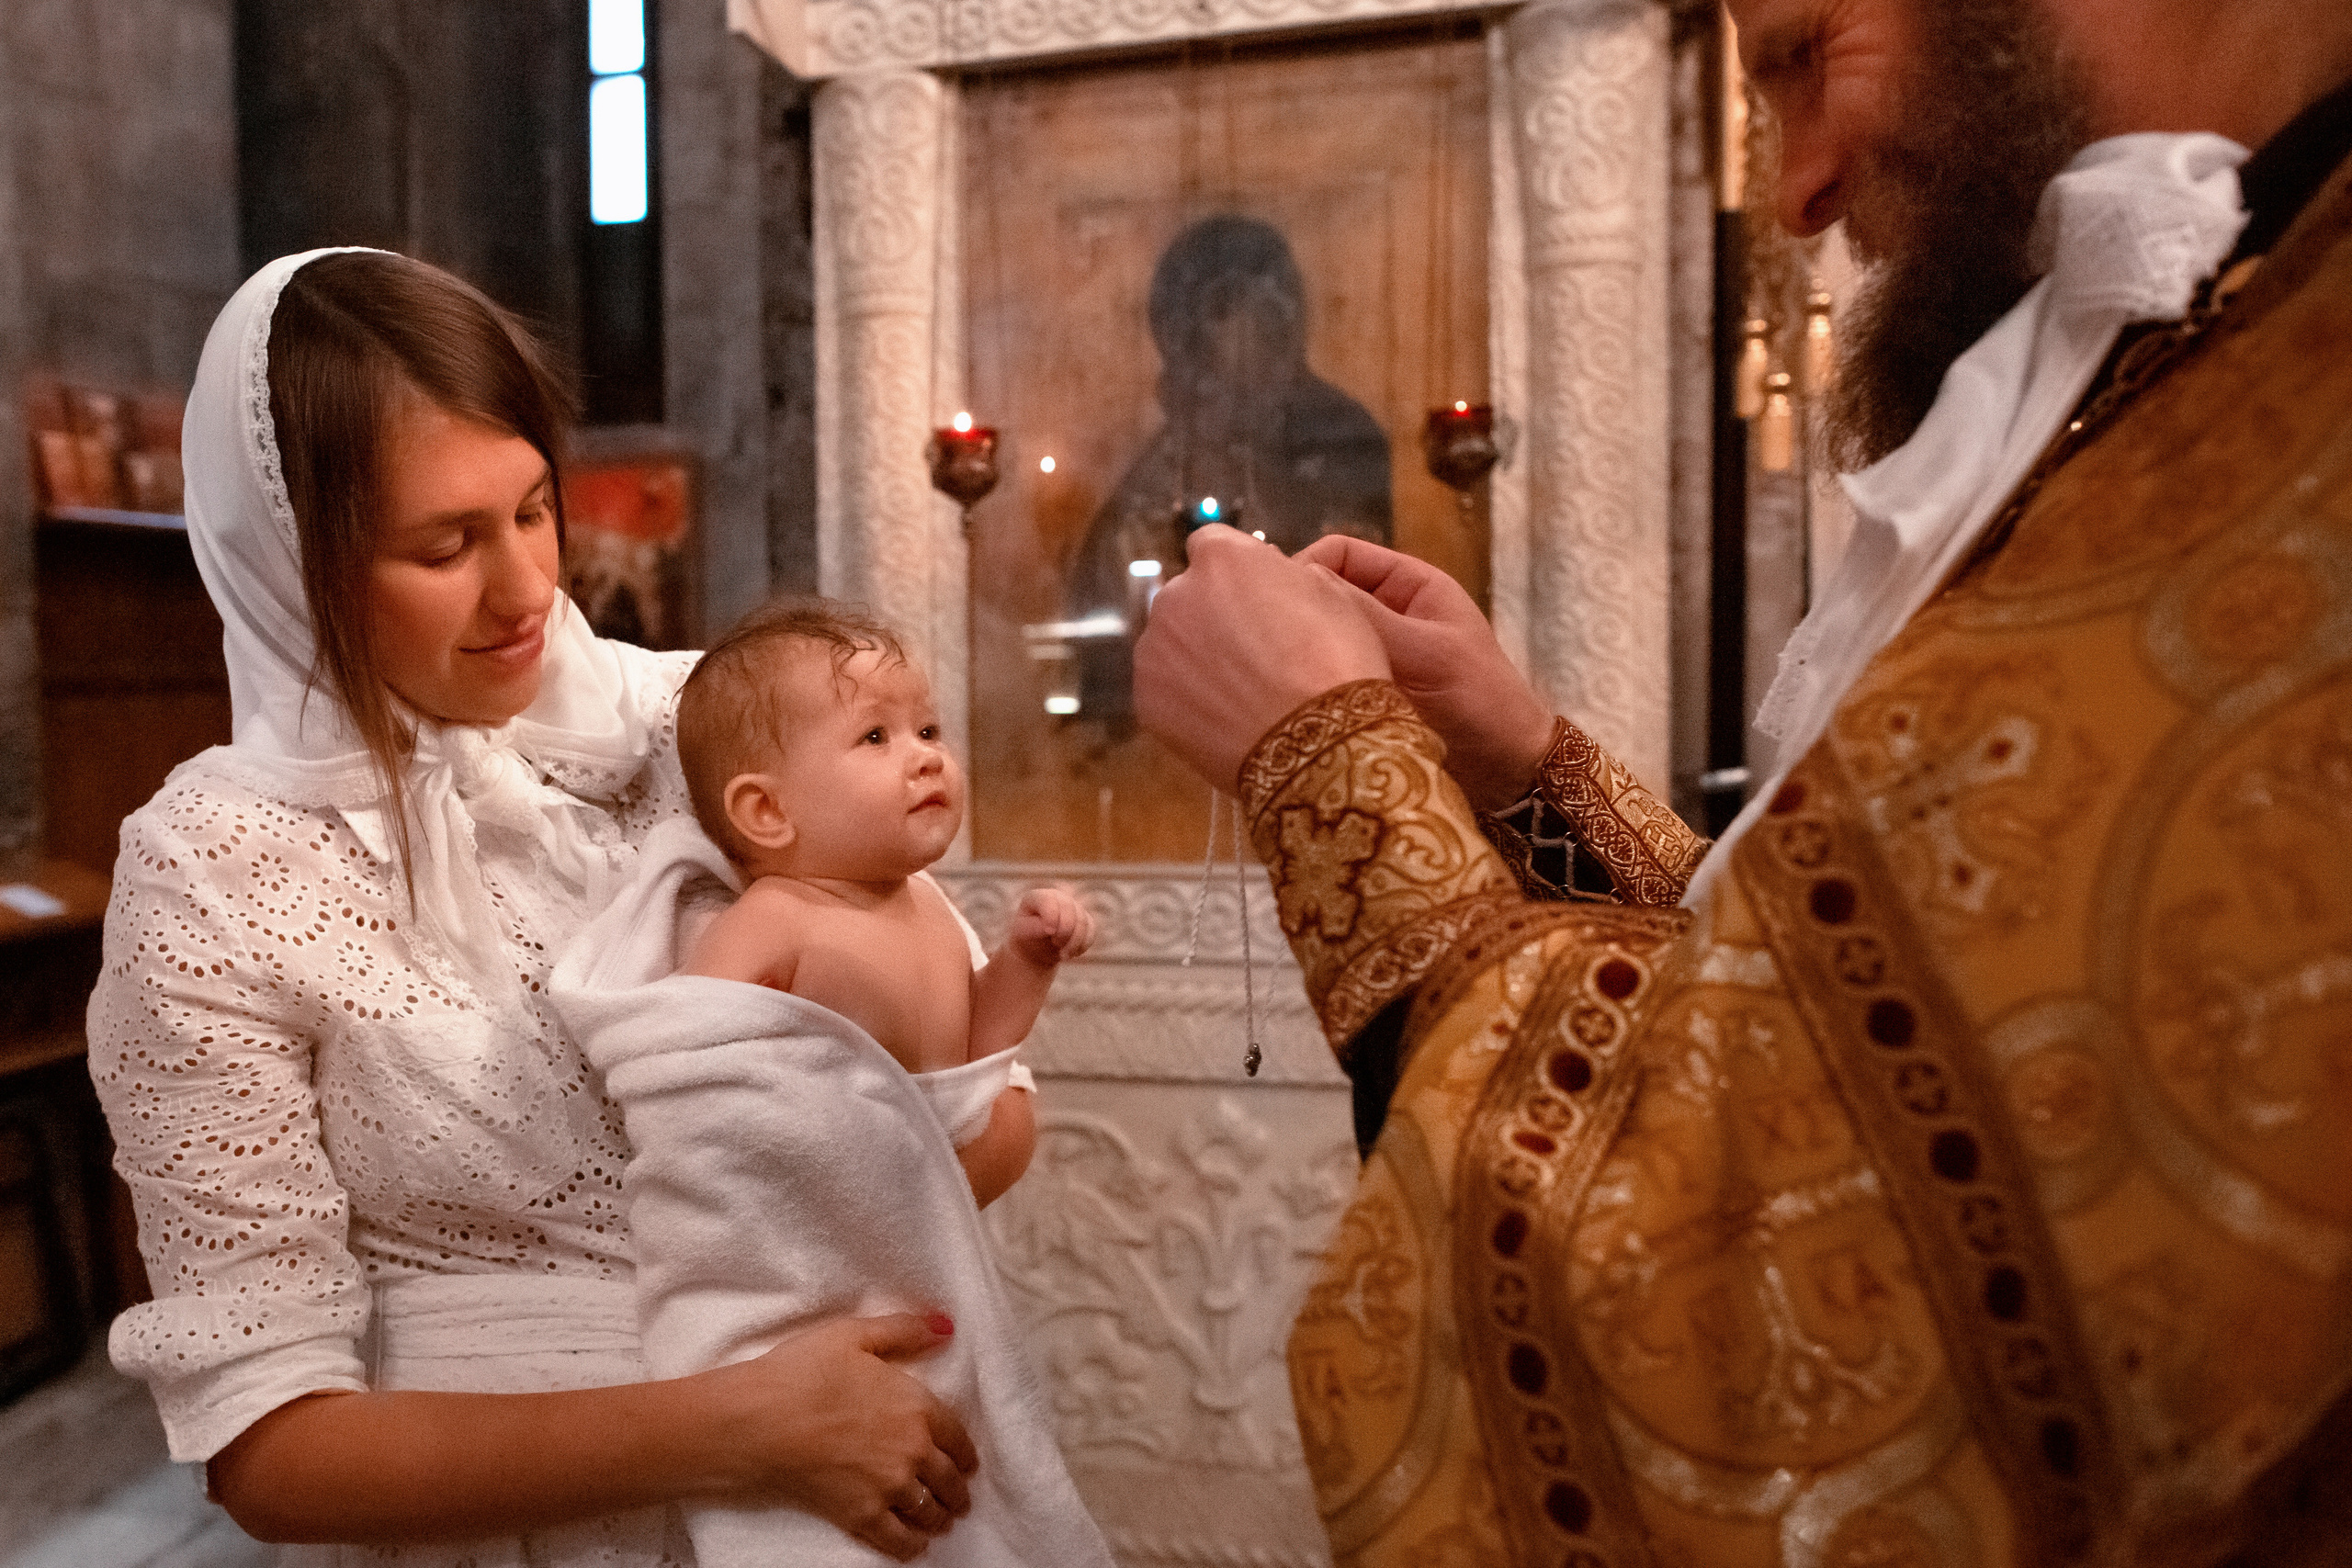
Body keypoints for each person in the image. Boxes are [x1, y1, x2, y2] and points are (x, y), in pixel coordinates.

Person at [1132, 0, 2352, 1561]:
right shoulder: (2221, 351)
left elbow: (1748, 1313)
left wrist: (1327, 764)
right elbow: (1857, 1023)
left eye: (1800, 53)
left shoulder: (2290, 443)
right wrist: (1526, 765)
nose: (1794, 194)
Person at [86, 249, 982, 1565]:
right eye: (443, 545)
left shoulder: (696, 727)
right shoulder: (212, 866)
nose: (523, 590)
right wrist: (737, 1420)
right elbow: (269, 1445)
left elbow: (938, 1067)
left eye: (530, 510)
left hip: (823, 1491)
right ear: (290, 563)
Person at [543, 601, 1114, 1568]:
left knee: (959, 1485)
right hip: (803, 1282)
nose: (926, 756)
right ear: (767, 811)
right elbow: (695, 1069)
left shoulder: (925, 904)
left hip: (919, 1258)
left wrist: (1026, 958)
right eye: (877, 737)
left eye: (929, 730)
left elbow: (975, 1054)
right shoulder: (776, 918)